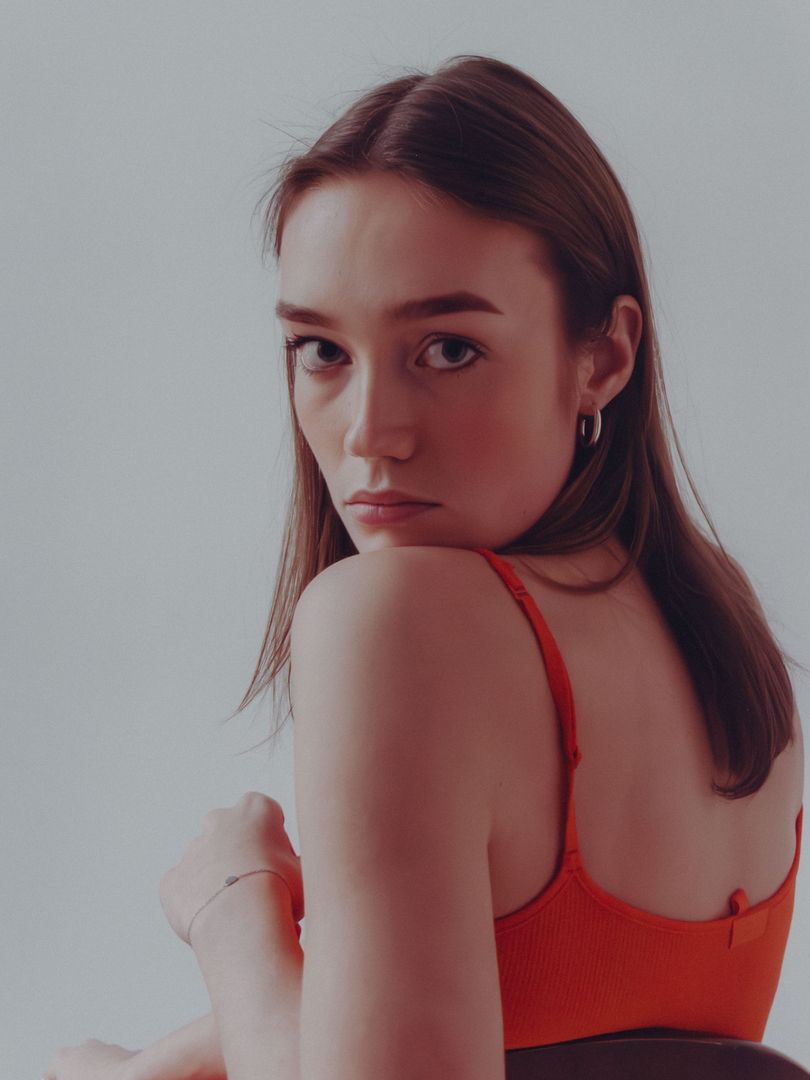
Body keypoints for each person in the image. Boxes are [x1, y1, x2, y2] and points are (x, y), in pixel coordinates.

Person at [44, 54, 804, 1080]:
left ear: (604, 357)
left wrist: (235, 916)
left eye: (447, 349)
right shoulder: (719, 623)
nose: (371, 433)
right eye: (321, 351)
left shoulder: (397, 617)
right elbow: (556, 1021)